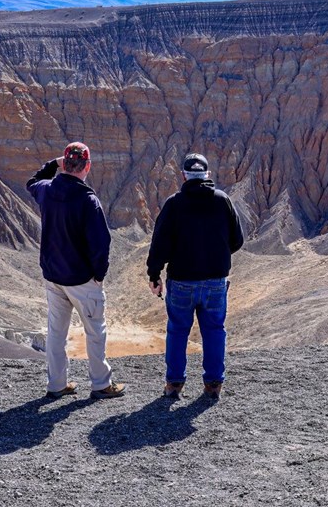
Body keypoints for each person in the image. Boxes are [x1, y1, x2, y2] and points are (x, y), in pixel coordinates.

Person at [27, 142, 126, 400]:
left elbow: (33, 181)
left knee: (56, 333)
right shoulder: (88, 200)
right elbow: (101, 244)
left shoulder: (47, 190)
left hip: (53, 276)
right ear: (87, 166)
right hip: (82, 280)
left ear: (65, 164)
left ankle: (57, 384)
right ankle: (101, 384)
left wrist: (54, 163)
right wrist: (99, 275)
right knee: (95, 331)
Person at [146, 153, 244, 401]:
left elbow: (159, 244)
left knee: (178, 331)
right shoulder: (223, 201)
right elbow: (237, 240)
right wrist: (216, 255)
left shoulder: (174, 203)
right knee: (214, 330)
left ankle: (174, 386)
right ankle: (213, 386)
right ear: (207, 175)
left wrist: (154, 274)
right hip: (215, 282)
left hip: (181, 281)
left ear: (184, 176)